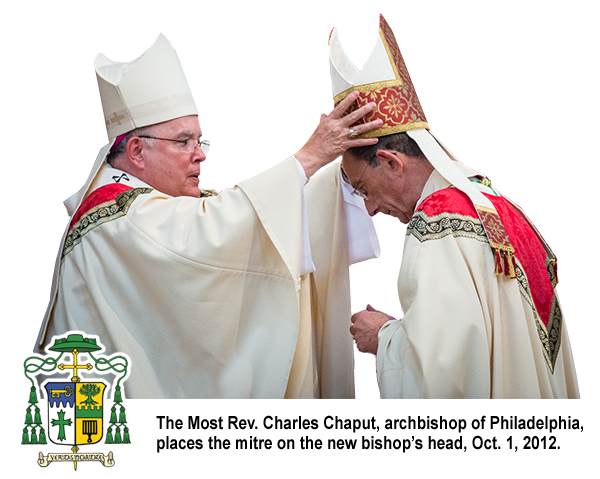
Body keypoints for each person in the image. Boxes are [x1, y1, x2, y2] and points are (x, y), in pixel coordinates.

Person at [34, 34, 383, 398]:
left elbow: (233, 217)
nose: (199, 155)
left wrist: (346, 177)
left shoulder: (152, 207)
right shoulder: (118, 218)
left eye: (200, 142)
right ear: (137, 151)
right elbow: (211, 231)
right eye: (184, 142)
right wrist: (312, 155)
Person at [333, 15, 579, 398]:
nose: (370, 209)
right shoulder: (499, 207)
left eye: (365, 189)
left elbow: (446, 376)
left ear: (392, 162)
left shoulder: (437, 225)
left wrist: (382, 336)